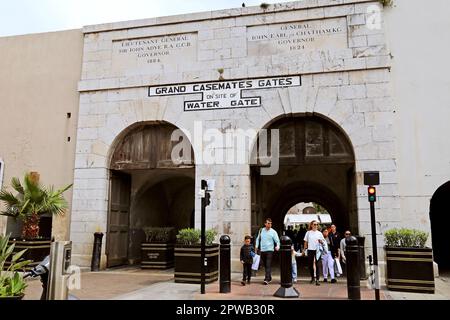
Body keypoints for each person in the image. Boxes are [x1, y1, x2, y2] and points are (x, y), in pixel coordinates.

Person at [255, 218, 281, 285]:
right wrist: (256, 246)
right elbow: (258, 239)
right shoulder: (261, 230)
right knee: (265, 265)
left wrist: (277, 246)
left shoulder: (273, 232)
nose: (270, 225)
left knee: (268, 264)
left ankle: (266, 279)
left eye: (271, 223)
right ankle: (269, 277)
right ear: (265, 224)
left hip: (270, 250)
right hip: (262, 250)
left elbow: (277, 241)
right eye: (268, 223)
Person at [303, 220, 325, 286]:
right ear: (311, 225)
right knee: (310, 265)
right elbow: (305, 242)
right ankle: (312, 277)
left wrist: (321, 241)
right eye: (314, 224)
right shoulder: (308, 233)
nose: (316, 226)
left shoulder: (319, 233)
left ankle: (317, 280)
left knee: (318, 265)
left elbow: (323, 242)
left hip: (317, 250)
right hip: (310, 250)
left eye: (317, 224)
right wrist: (304, 250)